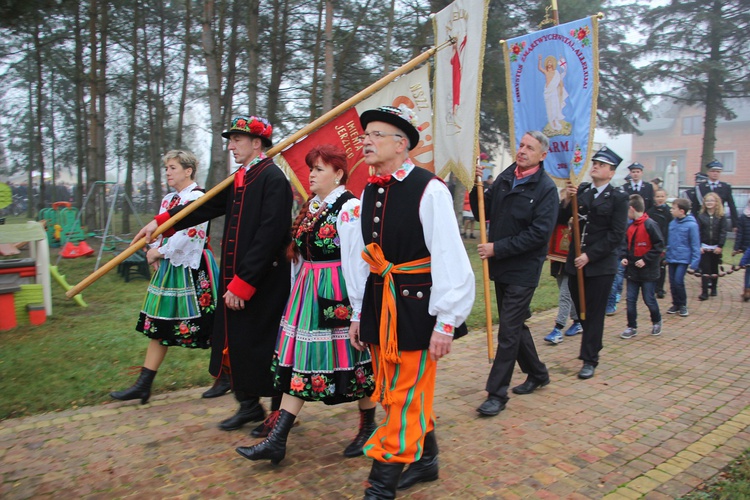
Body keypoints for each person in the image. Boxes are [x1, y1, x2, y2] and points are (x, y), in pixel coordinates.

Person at [344, 105, 474, 498]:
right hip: (380, 304)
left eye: (375, 135)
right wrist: (357, 313)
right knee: (396, 391)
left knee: (404, 394)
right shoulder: (368, 190)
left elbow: (450, 256)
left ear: (401, 144)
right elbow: (364, 259)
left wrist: (447, 321)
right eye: (365, 135)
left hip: (418, 309)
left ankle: (381, 486)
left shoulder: (429, 188)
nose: (365, 141)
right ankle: (425, 459)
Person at [134, 115, 293, 432]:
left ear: (257, 143)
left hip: (262, 282)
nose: (231, 146)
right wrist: (160, 222)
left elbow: (269, 237)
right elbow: (203, 206)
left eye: (237, 140)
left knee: (265, 348)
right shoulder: (240, 178)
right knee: (233, 343)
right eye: (230, 140)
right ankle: (249, 406)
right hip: (233, 280)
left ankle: (278, 416)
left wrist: (244, 284)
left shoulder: (273, 179)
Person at [235, 144, 376, 464]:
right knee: (301, 360)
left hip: (336, 291)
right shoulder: (313, 206)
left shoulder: (349, 207)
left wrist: (358, 310)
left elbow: (357, 261)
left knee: (354, 363)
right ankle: (278, 438)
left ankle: (368, 425)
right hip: (307, 293)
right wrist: (295, 292)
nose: (311, 174)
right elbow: (300, 258)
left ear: (338, 174)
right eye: (311, 168)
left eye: (319, 169)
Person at [111, 150, 220, 404]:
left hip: (194, 267)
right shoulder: (170, 199)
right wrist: (155, 248)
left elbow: (192, 233)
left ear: (188, 170)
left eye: (172, 167)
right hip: (170, 266)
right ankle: (144, 384)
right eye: (167, 168)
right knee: (160, 323)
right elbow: (160, 230)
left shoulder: (198, 197)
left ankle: (226, 375)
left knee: (212, 324)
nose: (168, 172)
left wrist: (159, 251)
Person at [471, 130, 557, 415]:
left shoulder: (545, 189)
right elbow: (484, 208)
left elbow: (539, 235)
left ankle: (496, 394)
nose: (522, 151)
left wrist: (498, 248)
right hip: (502, 268)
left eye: (529, 148)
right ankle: (538, 373)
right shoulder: (508, 176)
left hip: (523, 269)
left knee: (507, 331)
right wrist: (477, 185)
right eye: (521, 145)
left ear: (542, 155)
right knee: (516, 326)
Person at [559, 146, 628, 380]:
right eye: (595, 163)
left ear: (611, 172)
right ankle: (593, 344)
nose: (595, 166)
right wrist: (568, 198)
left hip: (600, 265)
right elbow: (561, 219)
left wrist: (590, 256)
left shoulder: (618, 197)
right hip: (576, 263)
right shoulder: (583, 191)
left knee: (595, 313)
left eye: (601, 164)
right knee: (581, 310)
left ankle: (589, 358)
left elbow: (616, 234)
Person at [619, 194, 665, 339]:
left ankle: (656, 321)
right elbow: (624, 244)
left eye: (627, 210)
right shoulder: (630, 226)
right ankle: (631, 326)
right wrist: (624, 257)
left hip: (648, 271)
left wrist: (646, 260)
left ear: (632, 209)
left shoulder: (650, 224)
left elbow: (659, 246)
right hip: (632, 270)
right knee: (630, 299)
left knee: (648, 298)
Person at [665, 198, 701, 317]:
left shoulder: (692, 225)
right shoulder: (672, 223)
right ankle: (675, 303)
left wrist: (694, 263)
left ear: (681, 211)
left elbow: (695, 244)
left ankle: (683, 304)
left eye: (674, 208)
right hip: (672, 257)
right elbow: (669, 242)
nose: (671, 210)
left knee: (678, 281)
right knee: (672, 282)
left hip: (683, 258)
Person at [696, 192, 727, 300]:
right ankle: (704, 291)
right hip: (704, 245)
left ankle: (713, 287)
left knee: (714, 267)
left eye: (712, 201)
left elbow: (723, 232)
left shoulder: (721, 217)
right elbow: (698, 231)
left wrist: (720, 246)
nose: (709, 203)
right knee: (705, 268)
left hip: (716, 246)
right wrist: (699, 245)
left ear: (716, 203)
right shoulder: (701, 216)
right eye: (707, 200)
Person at [543, 260, 583, 344]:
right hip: (559, 263)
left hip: (572, 264)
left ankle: (558, 329)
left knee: (564, 296)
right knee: (568, 294)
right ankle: (577, 321)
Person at [694, 160, 738, 230]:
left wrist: (735, 224)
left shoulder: (725, 187)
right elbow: (695, 206)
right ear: (708, 172)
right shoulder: (700, 187)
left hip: (719, 219)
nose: (715, 173)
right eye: (713, 171)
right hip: (704, 220)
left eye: (718, 172)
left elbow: (732, 206)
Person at [646, 188, 672, 298]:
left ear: (665, 197)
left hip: (664, 242)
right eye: (658, 196)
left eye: (662, 196)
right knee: (652, 264)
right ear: (654, 198)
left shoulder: (669, 212)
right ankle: (651, 286)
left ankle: (660, 288)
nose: (660, 199)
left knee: (662, 266)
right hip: (652, 242)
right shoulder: (650, 212)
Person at [538, 54, 568, 133]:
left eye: (551, 62)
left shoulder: (556, 72)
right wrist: (540, 60)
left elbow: (560, 82)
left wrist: (561, 89)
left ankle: (555, 121)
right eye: (548, 62)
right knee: (549, 107)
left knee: (554, 106)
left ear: (553, 64)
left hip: (554, 91)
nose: (549, 64)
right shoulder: (546, 72)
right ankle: (551, 122)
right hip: (547, 91)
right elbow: (540, 68)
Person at [732, 198, 750, 302]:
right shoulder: (743, 217)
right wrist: (736, 247)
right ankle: (747, 289)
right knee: (748, 269)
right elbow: (740, 233)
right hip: (747, 247)